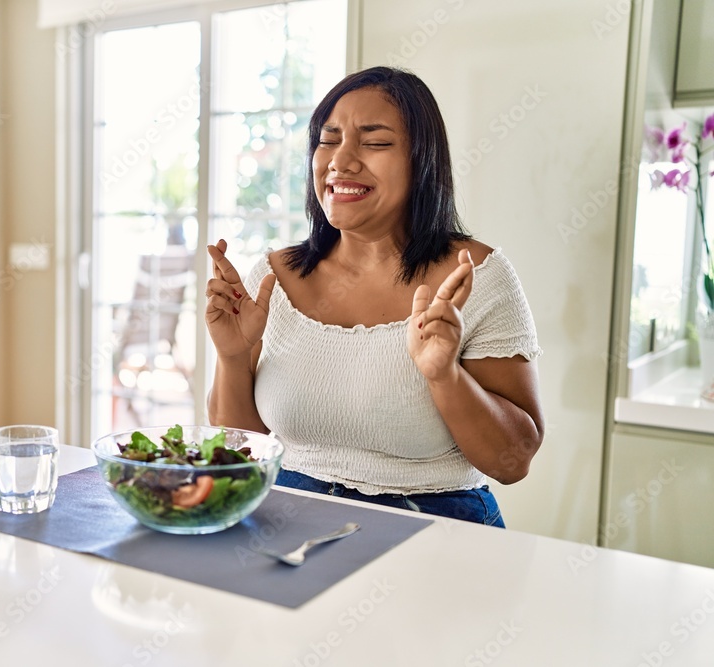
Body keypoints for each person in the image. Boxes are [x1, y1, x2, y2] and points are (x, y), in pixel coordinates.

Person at [204, 66, 544, 527]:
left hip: (434, 525)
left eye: (375, 142)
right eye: (328, 140)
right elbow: (237, 444)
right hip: (287, 518)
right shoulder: (274, 276)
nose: (341, 161)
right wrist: (232, 356)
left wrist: (444, 376)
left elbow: (512, 463)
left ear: (421, 162)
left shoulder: (476, 275)